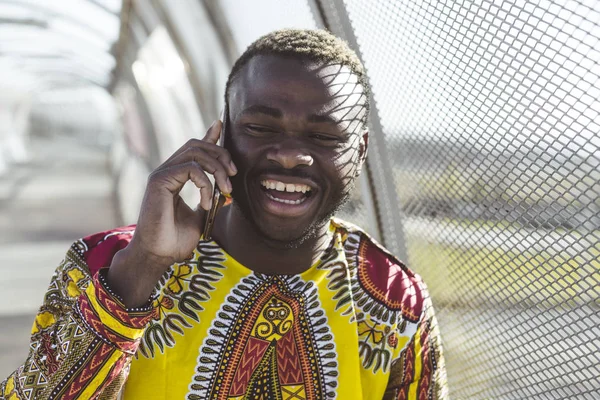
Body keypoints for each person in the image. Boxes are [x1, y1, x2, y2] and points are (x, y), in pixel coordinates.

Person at [1, 29, 447, 399]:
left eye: (325, 136)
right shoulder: (107, 262)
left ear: (361, 151)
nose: (291, 156)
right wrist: (142, 268)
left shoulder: (394, 300)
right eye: (259, 127)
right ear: (220, 135)